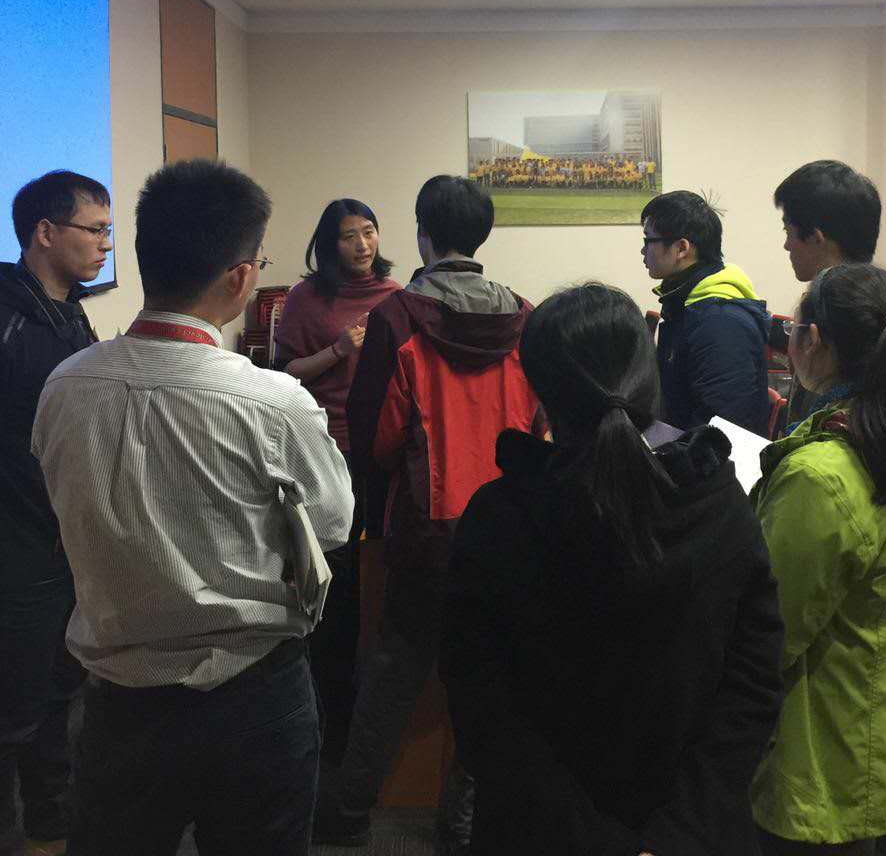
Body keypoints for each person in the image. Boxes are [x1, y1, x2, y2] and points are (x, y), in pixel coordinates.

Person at [31, 159, 354, 856]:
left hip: (117, 698)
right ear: (240, 278)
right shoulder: (273, 401)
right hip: (255, 692)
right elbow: (332, 524)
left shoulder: (64, 386)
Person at [440, 283, 784, 856]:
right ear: (649, 376)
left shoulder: (499, 517)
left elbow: (481, 704)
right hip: (694, 834)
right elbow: (752, 687)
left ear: (539, 388)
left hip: (536, 834)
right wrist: (675, 835)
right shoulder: (719, 503)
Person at [314, 175, 545, 851]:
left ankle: (349, 814)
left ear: (423, 234)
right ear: (483, 234)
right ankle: (462, 822)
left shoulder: (397, 319)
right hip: (507, 523)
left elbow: (376, 435)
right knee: (490, 679)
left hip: (426, 528)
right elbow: (539, 422)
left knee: (394, 673)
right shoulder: (524, 317)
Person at [751, 263, 886, 854]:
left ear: (813, 340)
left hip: (826, 773)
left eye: (791, 328)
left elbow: (769, 631)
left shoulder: (821, 477)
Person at [0, 169, 111, 856]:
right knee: (13, 710)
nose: (106, 244)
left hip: (68, 544)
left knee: (57, 696)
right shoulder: (9, 317)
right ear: (45, 232)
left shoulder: (70, 313)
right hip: (18, 548)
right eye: (94, 230)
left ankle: (50, 824)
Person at [274, 199, 401, 762]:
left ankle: (371, 681)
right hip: (327, 447)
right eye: (350, 236)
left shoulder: (396, 296)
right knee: (336, 566)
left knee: (381, 563)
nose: (362, 245)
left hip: (383, 445)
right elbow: (285, 373)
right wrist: (337, 349)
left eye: (369, 232)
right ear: (329, 244)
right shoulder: (306, 299)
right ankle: (332, 698)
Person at [774, 160, 886, 426]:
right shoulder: (870, 310)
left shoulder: (884, 319)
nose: (786, 245)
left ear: (816, 237)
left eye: (788, 231)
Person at [642, 190, 771, 436]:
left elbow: (723, 431)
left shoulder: (721, 322)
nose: (642, 251)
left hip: (712, 456)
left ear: (681, 248)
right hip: (682, 447)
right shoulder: (685, 303)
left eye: (648, 240)